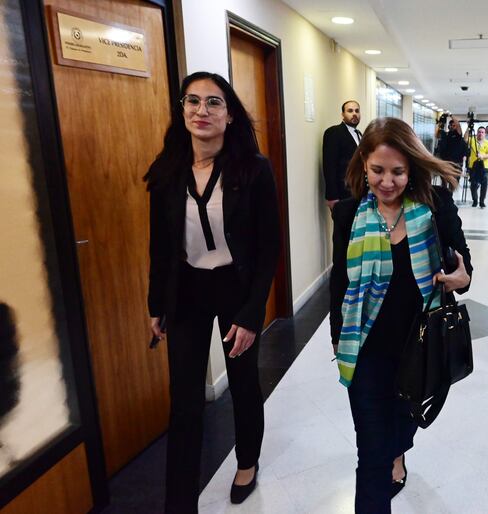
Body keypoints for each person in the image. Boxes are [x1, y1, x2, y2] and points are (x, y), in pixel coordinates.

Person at [145, 71, 280, 512]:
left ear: (230, 114)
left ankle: (247, 461)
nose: (201, 110)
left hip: (235, 288)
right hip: (187, 289)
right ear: (182, 109)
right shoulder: (167, 171)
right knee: (184, 399)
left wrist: (252, 312)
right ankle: (180, 501)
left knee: (243, 381)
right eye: (192, 101)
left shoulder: (253, 170)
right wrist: (156, 303)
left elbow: (268, 248)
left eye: (213, 102)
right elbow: (160, 245)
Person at [330, 117, 472, 513]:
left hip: (420, 351)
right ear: (363, 164)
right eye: (378, 170)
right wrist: (338, 340)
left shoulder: (435, 206)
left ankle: (398, 451)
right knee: (371, 455)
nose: (387, 181)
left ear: (412, 169)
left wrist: (461, 278)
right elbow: (339, 283)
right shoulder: (348, 214)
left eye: (398, 171)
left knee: (402, 430)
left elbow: (464, 267)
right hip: (367, 351)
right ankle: (387, 460)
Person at [323, 100, 362, 209]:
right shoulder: (333, 132)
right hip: (342, 193)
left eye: (357, 111)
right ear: (342, 115)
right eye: (350, 111)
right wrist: (332, 196)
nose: (354, 114)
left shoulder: (359, 134)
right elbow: (329, 166)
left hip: (358, 191)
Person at [467, 126, 488, 208]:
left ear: (485, 134)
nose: (480, 134)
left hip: (484, 166)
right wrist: (468, 128)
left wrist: (482, 156)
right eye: (479, 132)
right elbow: (465, 138)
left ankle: (482, 201)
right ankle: (475, 200)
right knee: (473, 184)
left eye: (482, 132)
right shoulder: (472, 140)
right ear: (477, 133)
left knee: (484, 183)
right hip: (473, 166)